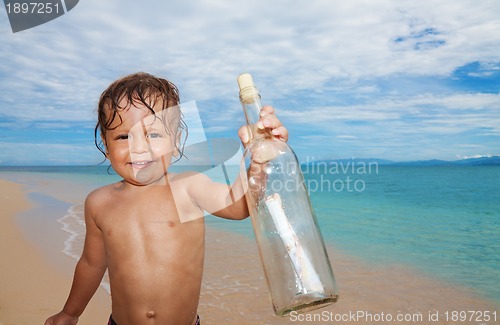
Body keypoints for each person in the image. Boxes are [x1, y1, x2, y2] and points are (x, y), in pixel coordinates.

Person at [44, 72, 288, 325]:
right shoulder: (99, 202)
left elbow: (239, 206)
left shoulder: (188, 187)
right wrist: (70, 313)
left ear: (177, 141)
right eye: (123, 136)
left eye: (153, 134)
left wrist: (259, 161)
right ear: (106, 145)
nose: (139, 148)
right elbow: (91, 265)